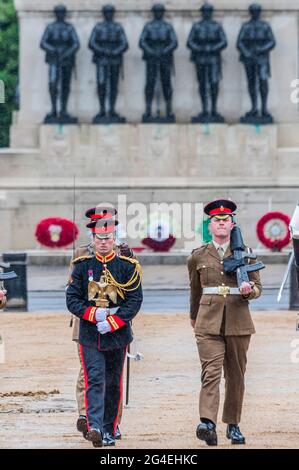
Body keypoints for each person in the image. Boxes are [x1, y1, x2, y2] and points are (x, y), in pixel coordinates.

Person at [187, 199, 262, 446]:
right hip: (207, 322)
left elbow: (258, 288)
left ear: (232, 224)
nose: (221, 224)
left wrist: (248, 289)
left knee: (236, 375)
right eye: (216, 221)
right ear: (210, 226)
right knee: (210, 372)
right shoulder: (198, 255)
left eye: (225, 220)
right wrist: (194, 317)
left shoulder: (246, 254)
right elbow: (195, 291)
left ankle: (233, 424)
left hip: (238, 321)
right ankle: (207, 422)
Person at [66, 215, 142, 448]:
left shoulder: (127, 266)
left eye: (108, 238)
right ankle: (95, 427)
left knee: (113, 382)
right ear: (93, 238)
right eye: (99, 238)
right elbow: (72, 299)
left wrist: (115, 321)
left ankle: (110, 428)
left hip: (117, 334)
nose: (103, 242)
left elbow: (134, 300)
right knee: (94, 379)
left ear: (114, 239)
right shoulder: (82, 266)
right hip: (90, 333)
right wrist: (92, 314)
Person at [187, 3, 227, 122]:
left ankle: (214, 109)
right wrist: (200, 48)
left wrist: (212, 48)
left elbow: (223, 41)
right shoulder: (196, 26)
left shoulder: (217, 26)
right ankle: (205, 109)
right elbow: (190, 42)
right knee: (202, 84)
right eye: (204, 11)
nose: (206, 13)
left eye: (208, 11)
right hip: (201, 58)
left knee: (214, 84)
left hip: (213, 59)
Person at [40, 4, 80, 123]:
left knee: (65, 86)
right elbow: (43, 43)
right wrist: (54, 50)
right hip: (53, 60)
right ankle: (53, 109)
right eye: (58, 12)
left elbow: (76, 44)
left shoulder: (69, 28)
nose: (60, 14)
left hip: (66, 60)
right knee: (53, 84)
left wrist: (67, 53)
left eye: (62, 12)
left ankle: (63, 110)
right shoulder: (50, 27)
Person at [88, 4, 128, 123]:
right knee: (101, 84)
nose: (109, 14)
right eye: (107, 12)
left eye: (111, 12)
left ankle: (112, 109)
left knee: (113, 85)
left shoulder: (118, 27)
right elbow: (91, 43)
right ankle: (102, 109)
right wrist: (103, 51)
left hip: (114, 59)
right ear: (104, 14)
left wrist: (115, 51)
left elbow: (124, 44)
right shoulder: (98, 27)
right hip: (102, 59)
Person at [237, 3, 276, 123]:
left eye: (257, 11)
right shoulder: (245, 26)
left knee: (263, 81)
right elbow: (240, 42)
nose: (255, 13)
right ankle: (254, 107)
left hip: (262, 58)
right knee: (251, 82)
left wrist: (261, 49)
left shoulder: (265, 26)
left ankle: (264, 107)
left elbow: (272, 41)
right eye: (253, 11)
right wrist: (247, 52)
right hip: (249, 58)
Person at [139, 3, 178, 121]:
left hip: (165, 57)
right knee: (150, 83)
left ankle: (169, 109)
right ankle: (148, 109)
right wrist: (151, 51)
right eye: (156, 11)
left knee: (166, 83)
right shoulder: (148, 26)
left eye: (160, 11)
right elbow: (142, 42)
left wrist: (164, 51)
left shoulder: (168, 27)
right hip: (151, 57)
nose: (158, 13)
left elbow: (174, 42)